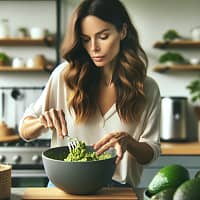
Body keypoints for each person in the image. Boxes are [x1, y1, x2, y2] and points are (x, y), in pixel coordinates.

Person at [19, 0, 161, 189]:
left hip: (117, 190)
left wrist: (129, 142)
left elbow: (150, 153)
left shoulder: (147, 87)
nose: (93, 47)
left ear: (123, 31)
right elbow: (24, 130)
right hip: (63, 188)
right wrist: (41, 121)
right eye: (86, 39)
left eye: (103, 36)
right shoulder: (64, 76)